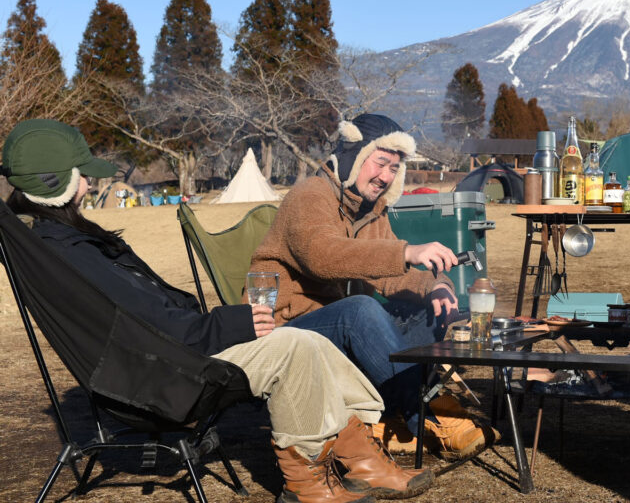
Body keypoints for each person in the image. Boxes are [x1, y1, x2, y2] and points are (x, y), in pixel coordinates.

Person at [2, 119, 433, 503]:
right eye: (84, 175)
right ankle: (307, 484)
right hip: (167, 374)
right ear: (58, 181)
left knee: (304, 340)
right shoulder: (73, 255)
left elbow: (148, 319)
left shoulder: (67, 244)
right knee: (295, 348)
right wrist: (233, 323)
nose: (91, 184)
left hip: (173, 354)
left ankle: (359, 458)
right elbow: (148, 326)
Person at [250, 113, 498, 460]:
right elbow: (323, 255)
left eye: (394, 168)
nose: (385, 176)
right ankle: (428, 414)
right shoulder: (310, 196)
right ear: (353, 157)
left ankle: (386, 424)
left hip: (335, 337)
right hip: (287, 332)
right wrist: (408, 251)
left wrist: (436, 286)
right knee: (360, 311)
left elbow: (392, 275)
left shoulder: (368, 211)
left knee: (429, 309)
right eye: (380, 163)